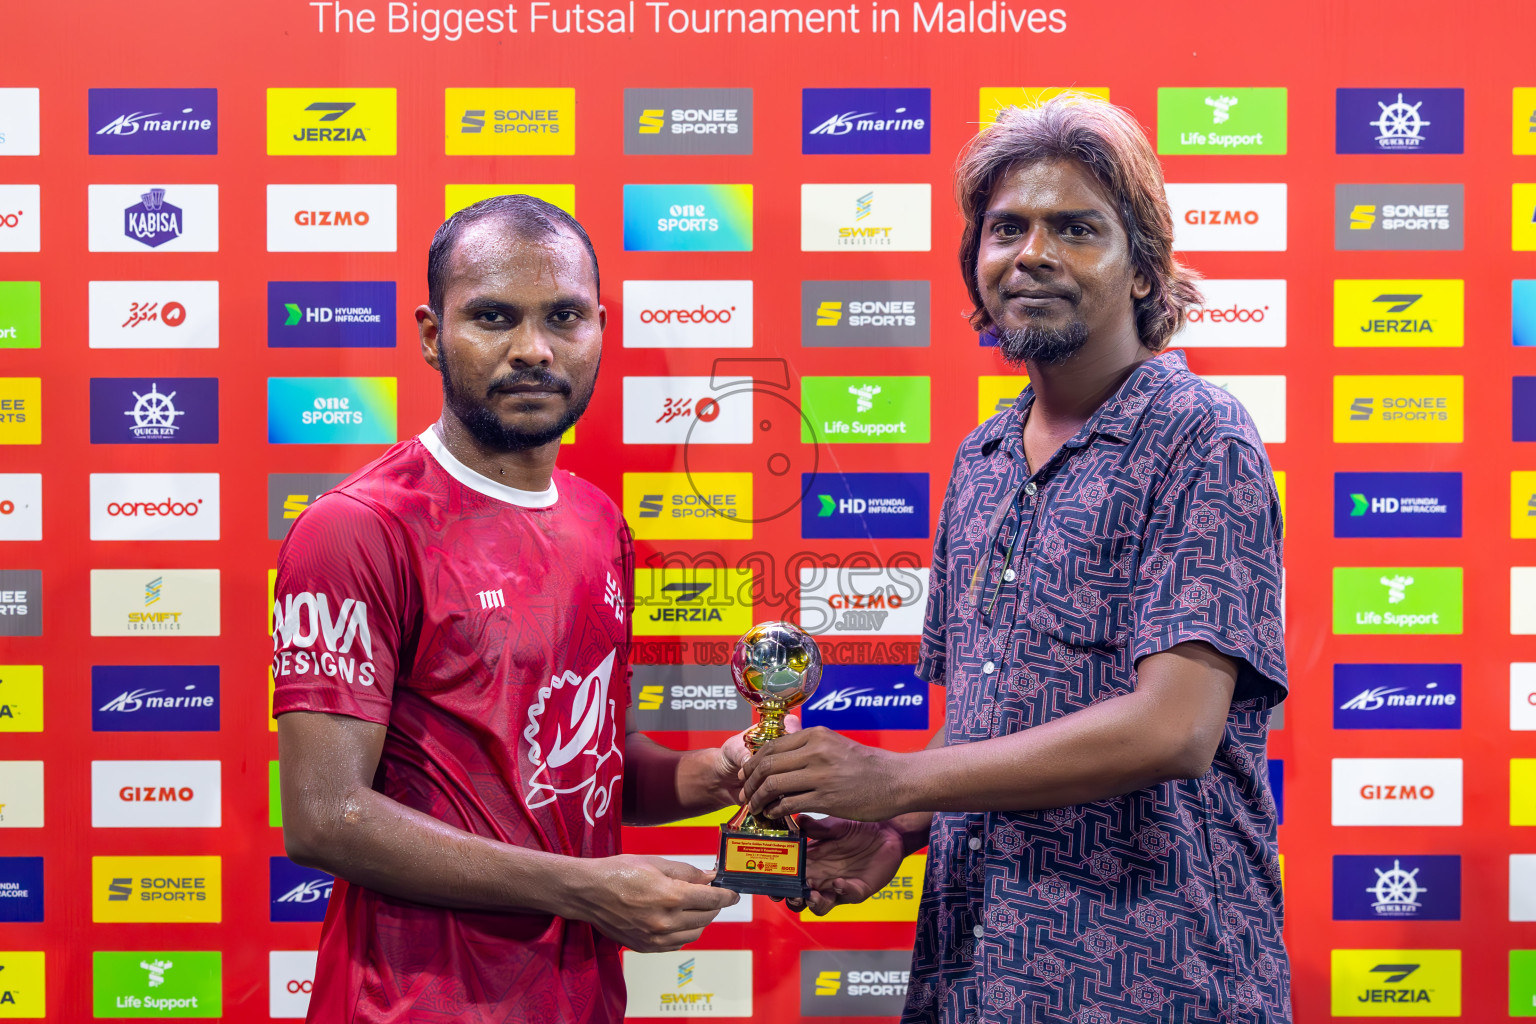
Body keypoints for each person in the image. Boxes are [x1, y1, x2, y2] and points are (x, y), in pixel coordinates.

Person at [741, 94, 1291, 1022]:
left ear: (1145, 272)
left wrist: (898, 780)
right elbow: (986, 723)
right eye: (1007, 229)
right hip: (975, 968)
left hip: (1160, 976)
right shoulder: (981, 459)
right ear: (976, 263)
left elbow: (1176, 730)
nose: (1032, 253)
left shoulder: (1202, 436)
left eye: (1076, 228)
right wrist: (898, 831)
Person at [272, 194, 744, 1024]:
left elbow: (578, 768)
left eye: (562, 317)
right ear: (430, 334)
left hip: (578, 1000)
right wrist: (585, 890)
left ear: (600, 327)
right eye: (494, 317)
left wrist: (718, 773)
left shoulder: (600, 522)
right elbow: (325, 817)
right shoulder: (356, 529)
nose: (532, 349)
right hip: (411, 1004)